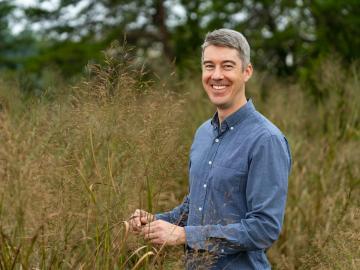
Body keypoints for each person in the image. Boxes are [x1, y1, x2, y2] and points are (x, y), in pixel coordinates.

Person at [129, 28, 292, 269]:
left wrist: (184, 236)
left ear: (246, 71)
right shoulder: (203, 133)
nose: (216, 75)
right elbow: (194, 206)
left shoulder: (266, 140)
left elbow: (264, 229)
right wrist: (156, 221)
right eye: (209, 66)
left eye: (227, 66)